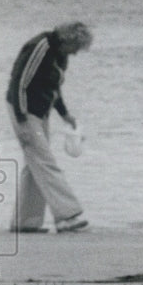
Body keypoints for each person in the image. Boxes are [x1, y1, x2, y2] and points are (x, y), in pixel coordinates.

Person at [6, 21, 93, 233]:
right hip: (24, 110)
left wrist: (65, 114)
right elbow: (20, 82)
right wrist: (22, 117)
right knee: (46, 162)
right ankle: (68, 215)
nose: (75, 54)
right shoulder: (40, 47)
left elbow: (54, 87)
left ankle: (24, 222)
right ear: (67, 40)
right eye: (75, 48)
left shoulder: (60, 55)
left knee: (35, 163)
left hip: (40, 111)